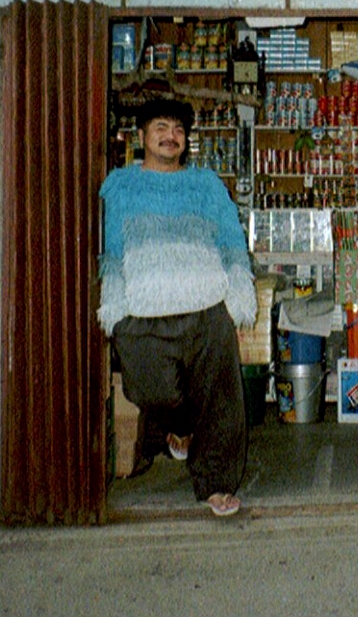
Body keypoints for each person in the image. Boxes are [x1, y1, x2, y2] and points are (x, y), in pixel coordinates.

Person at [97, 96, 257, 516]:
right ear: (142, 136)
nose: (171, 137)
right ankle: (178, 427)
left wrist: (239, 295)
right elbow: (111, 251)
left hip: (206, 306)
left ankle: (216, 486)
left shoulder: (206, 185)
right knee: (151, 390)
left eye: (179, 130)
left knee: (221, 400)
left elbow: (231, 243)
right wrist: (112, 302)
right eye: (161, 128)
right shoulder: (120, 186)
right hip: (143, 310)